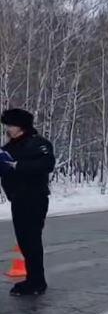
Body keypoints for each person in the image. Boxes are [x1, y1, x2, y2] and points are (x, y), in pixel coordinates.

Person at [0, 108, 55, 296]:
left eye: (10, 125)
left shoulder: (38, 144)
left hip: (34, 198)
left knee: (31, 240)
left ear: (21, 127)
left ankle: (37, 281)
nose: (8, 129)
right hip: (18, 198)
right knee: (24, 240)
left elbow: (47, 164)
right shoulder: (10, 147)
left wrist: (18, 166)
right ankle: (33, 279)